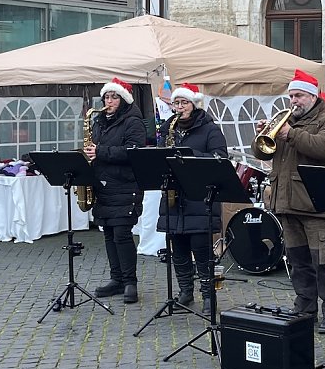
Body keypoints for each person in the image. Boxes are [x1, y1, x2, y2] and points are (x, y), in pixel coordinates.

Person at [261, 69, 325, 333]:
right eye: (291, 96)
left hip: (315, 204)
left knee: (324, 262)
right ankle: (305, 304)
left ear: (311, 96)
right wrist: (264, 134)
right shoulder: (287, 122)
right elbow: (262, 151)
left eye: (298, 95)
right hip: (287, 202)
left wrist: (291, 134)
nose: (293, 101)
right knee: (297, 260)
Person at [157, 83, 228, 313]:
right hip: (174, 197)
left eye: (183, 103)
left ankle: (209, 296)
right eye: (176, 103)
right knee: (177, 245)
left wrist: (188, 156)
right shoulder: (169, 128)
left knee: (201, 247)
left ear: (194, 104)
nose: (179, 107)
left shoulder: (210, 129)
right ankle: (185, 291)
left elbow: (219, 157)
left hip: (200, 197)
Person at [86, 78, 147, 304]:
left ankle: (131, 281)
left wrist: (101, 152)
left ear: (123, 99)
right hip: (104, 185)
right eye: (106, 97)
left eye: (114, 97)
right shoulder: (99, 122)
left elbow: (134, 151)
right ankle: (117, 279)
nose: (109, 101)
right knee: (109, 233)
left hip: (126, 185)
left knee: (122, 233)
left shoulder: (133, 122)